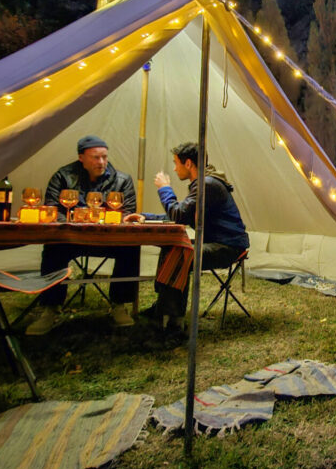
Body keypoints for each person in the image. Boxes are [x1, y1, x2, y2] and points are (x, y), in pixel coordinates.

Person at [124, 142, 249, 332]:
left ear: (188, 164)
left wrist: (165, 189)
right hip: (216, 242)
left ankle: (173, 321)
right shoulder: (204, 182)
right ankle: (164, 309)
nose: (174, 169)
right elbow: (185, 213)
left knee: (181, 254)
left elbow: (180, 215)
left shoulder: (207, 184)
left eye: (176, 163)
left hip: (228, 246)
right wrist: (147, 217)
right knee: (172, 246)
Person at [26, 135, 140, 335]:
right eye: (95, 158)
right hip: (72, 238)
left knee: (130, 246)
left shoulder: (122, 180)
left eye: (104, 157)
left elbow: (127, 213)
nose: (101, 162)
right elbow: (53, 210)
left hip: (108, 238)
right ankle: (50, 308)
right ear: (81, 158)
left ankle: (119, 304)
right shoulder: (63, 177)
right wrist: (75, 226)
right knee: (53, 246)